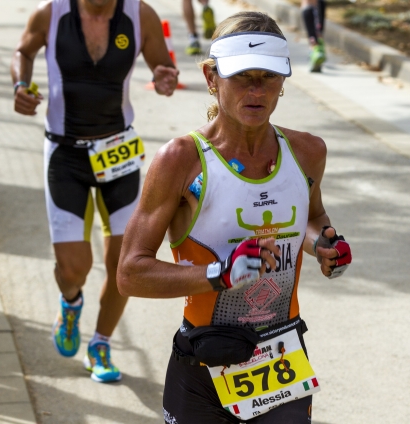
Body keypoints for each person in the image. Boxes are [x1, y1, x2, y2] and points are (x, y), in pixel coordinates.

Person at [118, 11, 352, 423]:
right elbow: (130, 273)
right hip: (203, 362)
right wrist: (219, 274)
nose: (257, 90)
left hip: (281, 355)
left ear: (284, 79)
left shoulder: (308, 152)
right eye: (242, 76)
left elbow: (312, 218)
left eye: (269, 76)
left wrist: (324, 246)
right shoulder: (181, 160)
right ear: (212, 77)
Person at [11, 0, 178, 383]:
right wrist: (20, 84)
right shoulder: (51, 13)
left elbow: (163, 67)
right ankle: (71, 303)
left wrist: (165, 78)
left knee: (125, 265)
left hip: (118, 152)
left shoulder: (140, 15)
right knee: (73, 269)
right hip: (64, 153)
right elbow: (23, 51)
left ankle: (101, 343)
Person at [301, 0, 326, 72]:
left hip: (312, 8)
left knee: (315, 35)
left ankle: (316, 56)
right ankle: (317, 55)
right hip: (311, 8)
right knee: (315, 34)